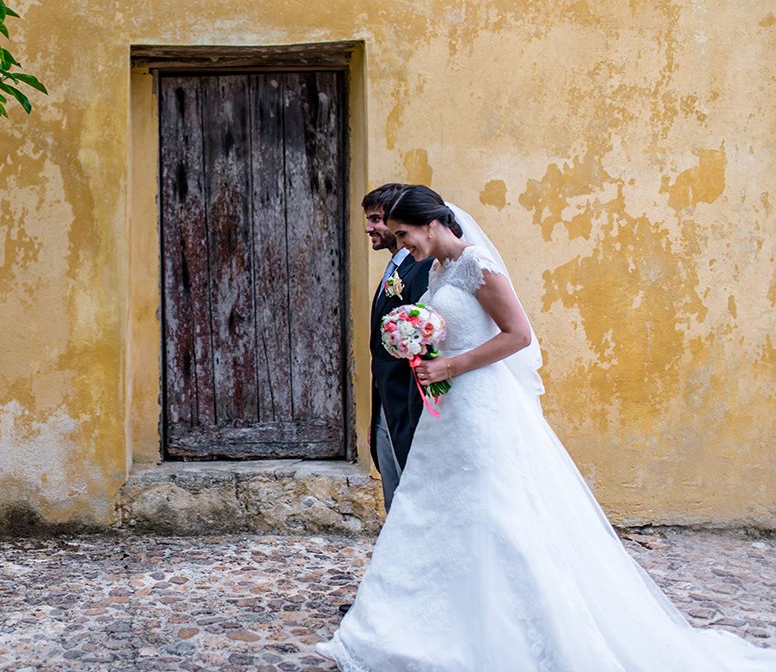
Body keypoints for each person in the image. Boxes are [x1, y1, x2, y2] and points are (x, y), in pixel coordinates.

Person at [315, 185, 776, 672]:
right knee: (433, 509)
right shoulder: (436, 269)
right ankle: (416, 620)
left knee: (498, 512)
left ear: (431, 224)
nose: (402, 243)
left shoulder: (476, 265)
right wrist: (421, 341)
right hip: (445, 414)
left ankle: (506, 629)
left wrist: (452, 366)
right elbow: (447, 325)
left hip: (482, 405)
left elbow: (518, 336)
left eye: (405, 234)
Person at [363, 184, 433, 513]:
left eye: (377, 219)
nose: (370, 228)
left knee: (411, 504)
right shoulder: (394, 270)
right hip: (388, 410)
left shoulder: (419, 268)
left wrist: (408, 418)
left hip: (408, 410)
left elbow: (423, 345)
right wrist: (377, 417)